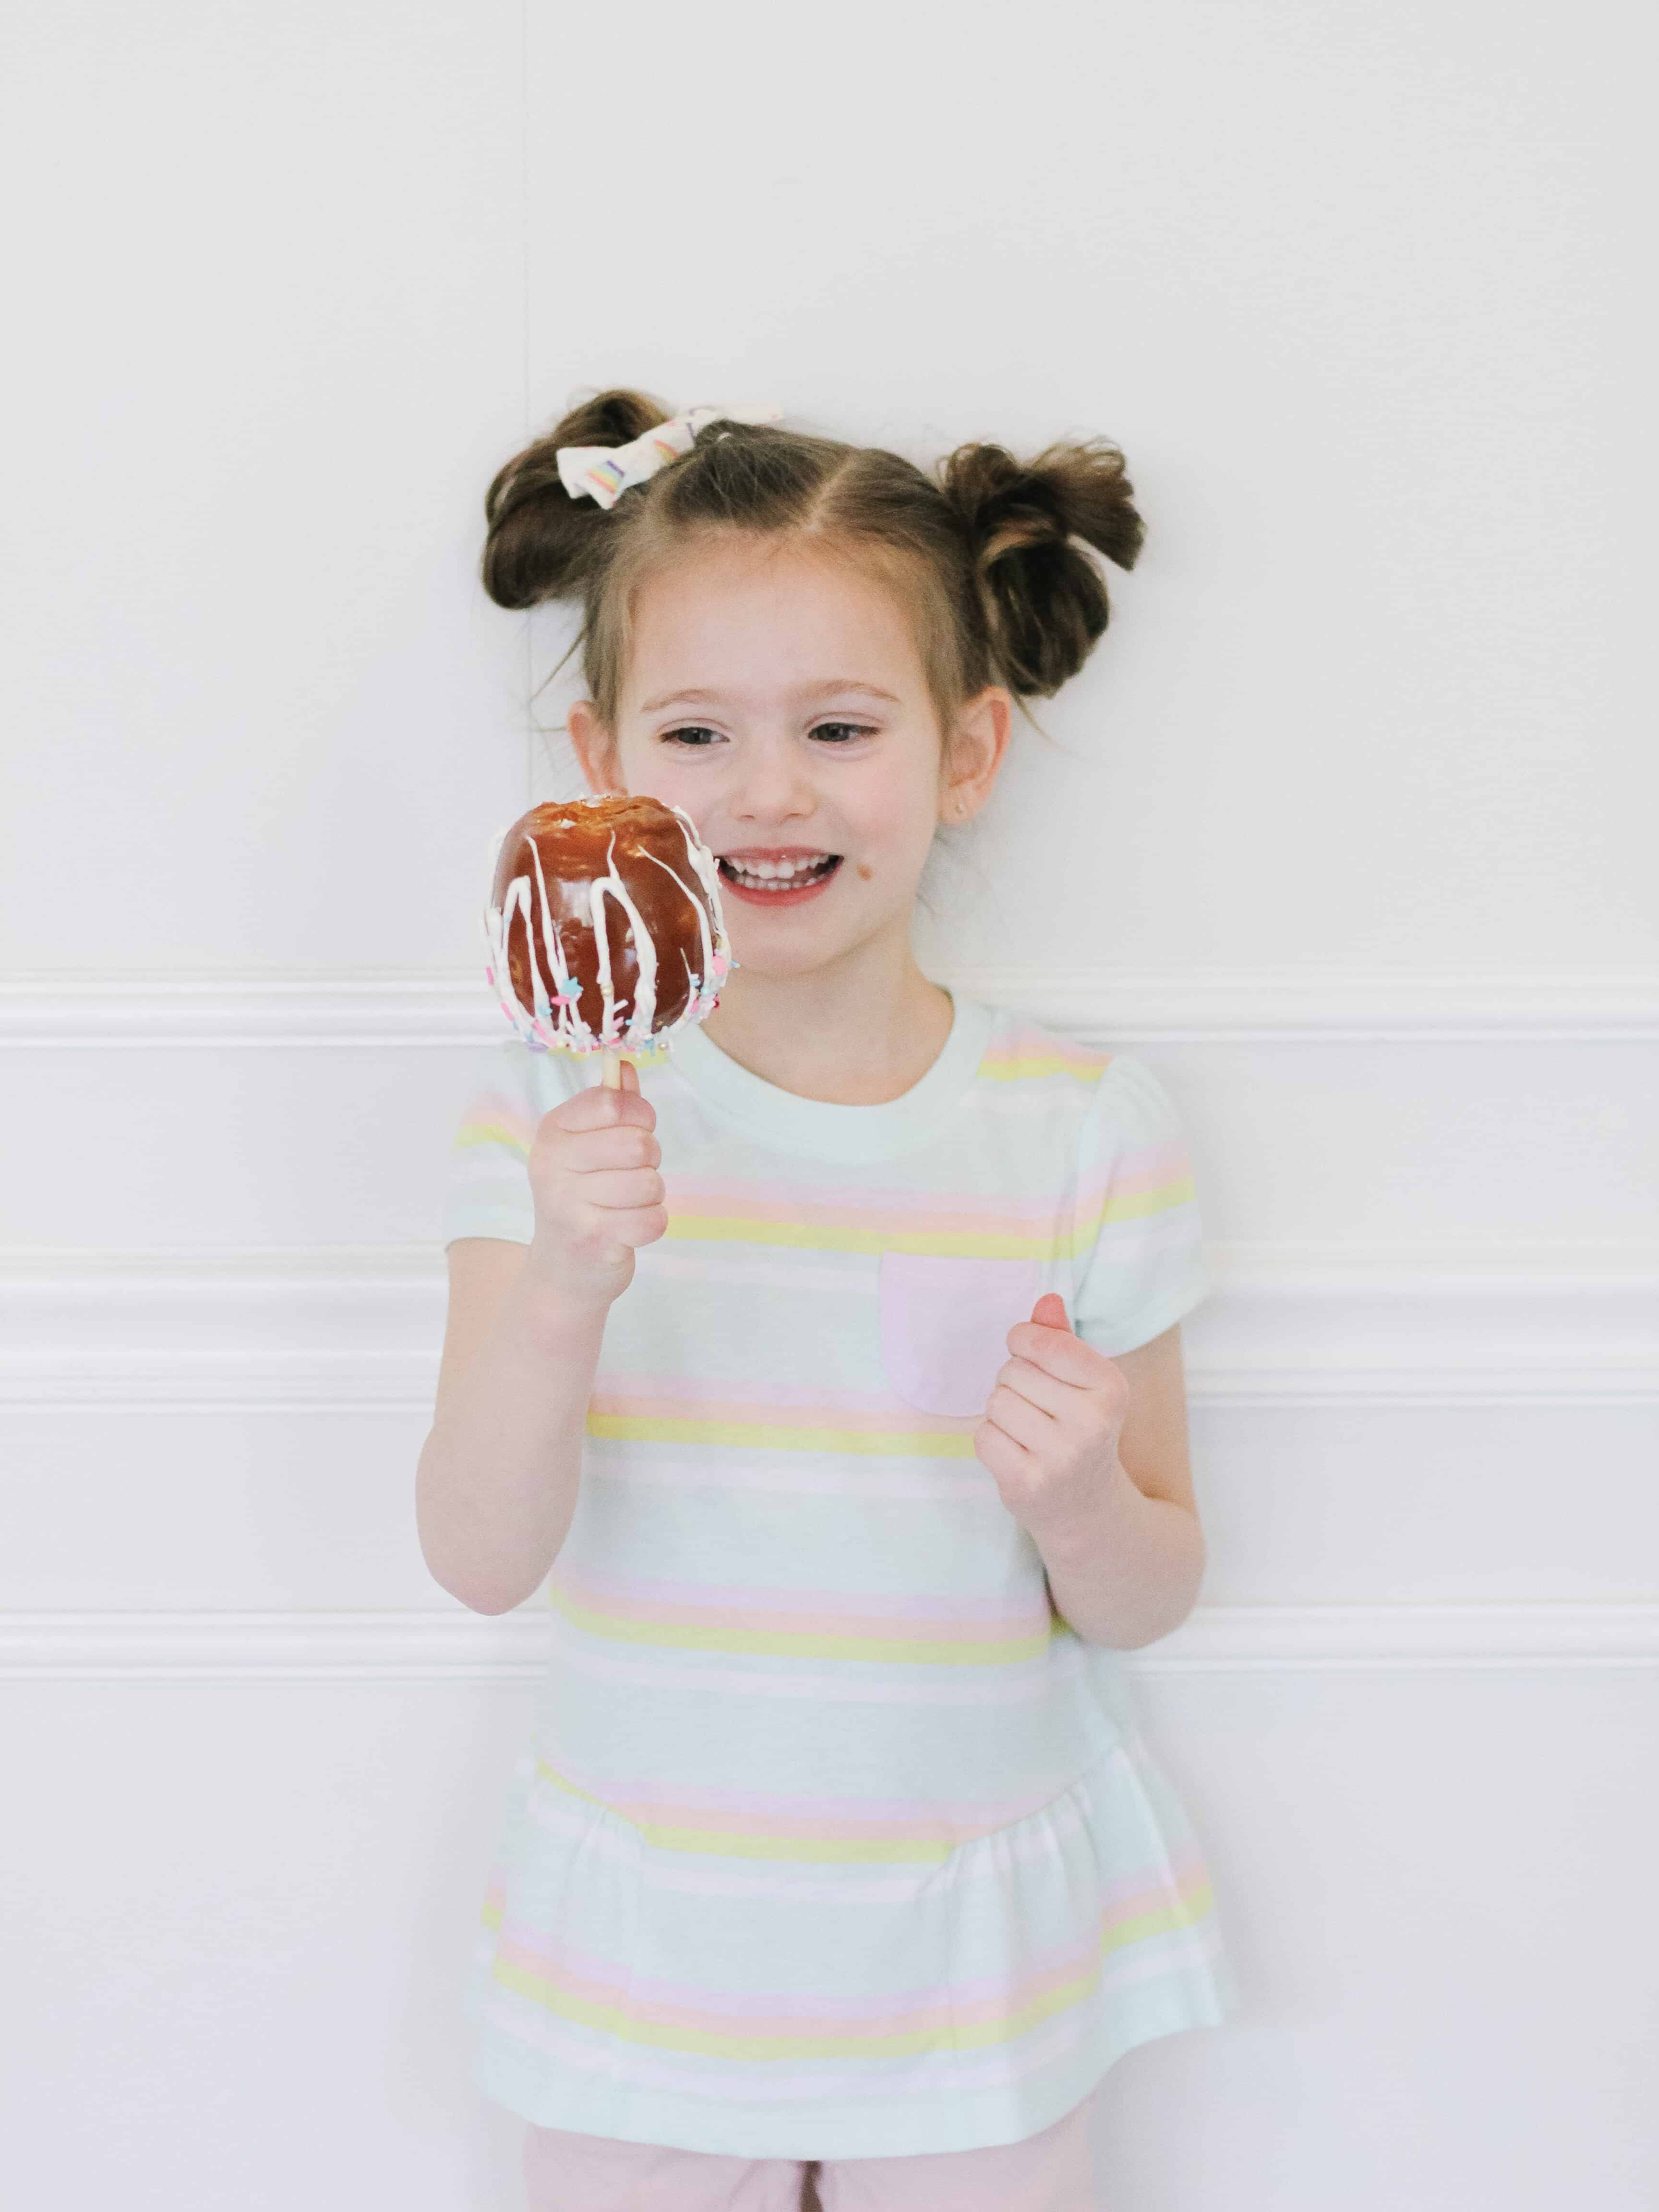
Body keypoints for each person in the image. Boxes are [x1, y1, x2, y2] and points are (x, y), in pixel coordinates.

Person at [416, 391, 1238, 2212]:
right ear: (601, 761)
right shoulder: (555, 1104)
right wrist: (563, 1288)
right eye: (698, 731)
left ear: (966, 753)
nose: (768, 792)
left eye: (840, 729)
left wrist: (1082, 1499)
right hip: (650, 1949)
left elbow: (1152, 1594)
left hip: (970, 1971)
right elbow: (479, 1555)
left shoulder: (1084, 1131)